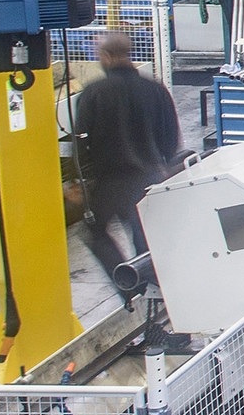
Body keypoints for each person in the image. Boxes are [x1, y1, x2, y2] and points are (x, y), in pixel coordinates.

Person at [70, 26, 182, 296]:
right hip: (149, 179)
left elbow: (80, 141)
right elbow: (171, 136)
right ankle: (156, 291)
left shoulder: (93, 93)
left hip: (109, 184)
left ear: (107, 56)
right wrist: (166, 168)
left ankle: (129, 286)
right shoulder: (155, 90)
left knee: (96, 231)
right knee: (145, 238)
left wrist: (78, 181)